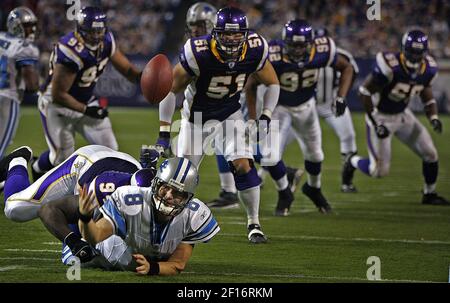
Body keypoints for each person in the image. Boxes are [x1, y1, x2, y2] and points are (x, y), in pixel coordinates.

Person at [155, 7, 280, 243]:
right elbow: (170, 90)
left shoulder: (255, 48)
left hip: (229, 115)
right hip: (196, 120)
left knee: (244, 165)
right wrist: (164, 131)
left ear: (245, 34)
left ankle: (254, 223)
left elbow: (272, 82)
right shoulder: (198, 52)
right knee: (180, 179)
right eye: (225, 35)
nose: (232, 40)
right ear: (215, 33)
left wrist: (266, 115)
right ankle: (167, 225)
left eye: (236, 35)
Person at [44, 157, 220, 276]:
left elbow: (178, 264)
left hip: (144, 255)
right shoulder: (130, 200)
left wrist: (153, 268)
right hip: (104, 251)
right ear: (155, 184)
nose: (168, 195)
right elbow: (96, 236)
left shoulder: (194, 214)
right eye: (165, 187)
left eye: (177, 193)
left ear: (188, 198)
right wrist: (84, 216)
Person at [249, 19, 354, 214]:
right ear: (284, 42)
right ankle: (284, 192)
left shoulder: (322, 50)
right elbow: (251, 84)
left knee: (315, 154)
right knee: (270, 157)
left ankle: (313, 188)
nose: (297, 50)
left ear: (311, 43)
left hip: (307, 107)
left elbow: (347, 67)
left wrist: (341, 97)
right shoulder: (272, 54)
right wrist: (254, 118)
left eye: (301, 45)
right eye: (293, 45)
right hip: (279, 108)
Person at [31, 6, 142, 180]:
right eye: (92, 32)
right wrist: (86, 110)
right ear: (80, 30)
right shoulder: (71, 50)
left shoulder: (107, 41)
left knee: (110, 151)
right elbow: (58, 94)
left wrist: (144, 78)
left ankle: (102, 189)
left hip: (85, 101)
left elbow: (127, 69)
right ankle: (38, 166)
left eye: (100, 31)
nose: (97, 36)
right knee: (61, 159)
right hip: (56, 106)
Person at [345, 29, 449, 206]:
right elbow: (364, 92)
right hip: (381, 116)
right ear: (403, 49)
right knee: (378, 171)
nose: (415, 58)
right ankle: (352, 161)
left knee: (430, 154)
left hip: (403, 115)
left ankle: (429, 194)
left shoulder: (428, 69)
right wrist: (376, 122)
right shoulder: (390, 65)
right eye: (411, 52)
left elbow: (426, 93)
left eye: (418, 53)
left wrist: (433, 117)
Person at [0, 144, 156, 223]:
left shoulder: (154, 199)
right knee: (15, 209)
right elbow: (79, 214)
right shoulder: (106, 190)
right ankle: (17, 160)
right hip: (84, 164)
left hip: (123, 165)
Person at [314, 28, 360, 193]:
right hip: (306, 106)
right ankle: (263, 173)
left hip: (331, 104)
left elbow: (352, 71)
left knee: (348, 136)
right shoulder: (303, 54)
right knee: (278, 138)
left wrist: (341, 95)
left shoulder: (341, 55)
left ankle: (347, 182)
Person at [0, 7, 39, 159]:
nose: (32, 29)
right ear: (16, 26)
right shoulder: (24, 47)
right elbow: (31, 84)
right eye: (28, 26)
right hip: (7, 99)